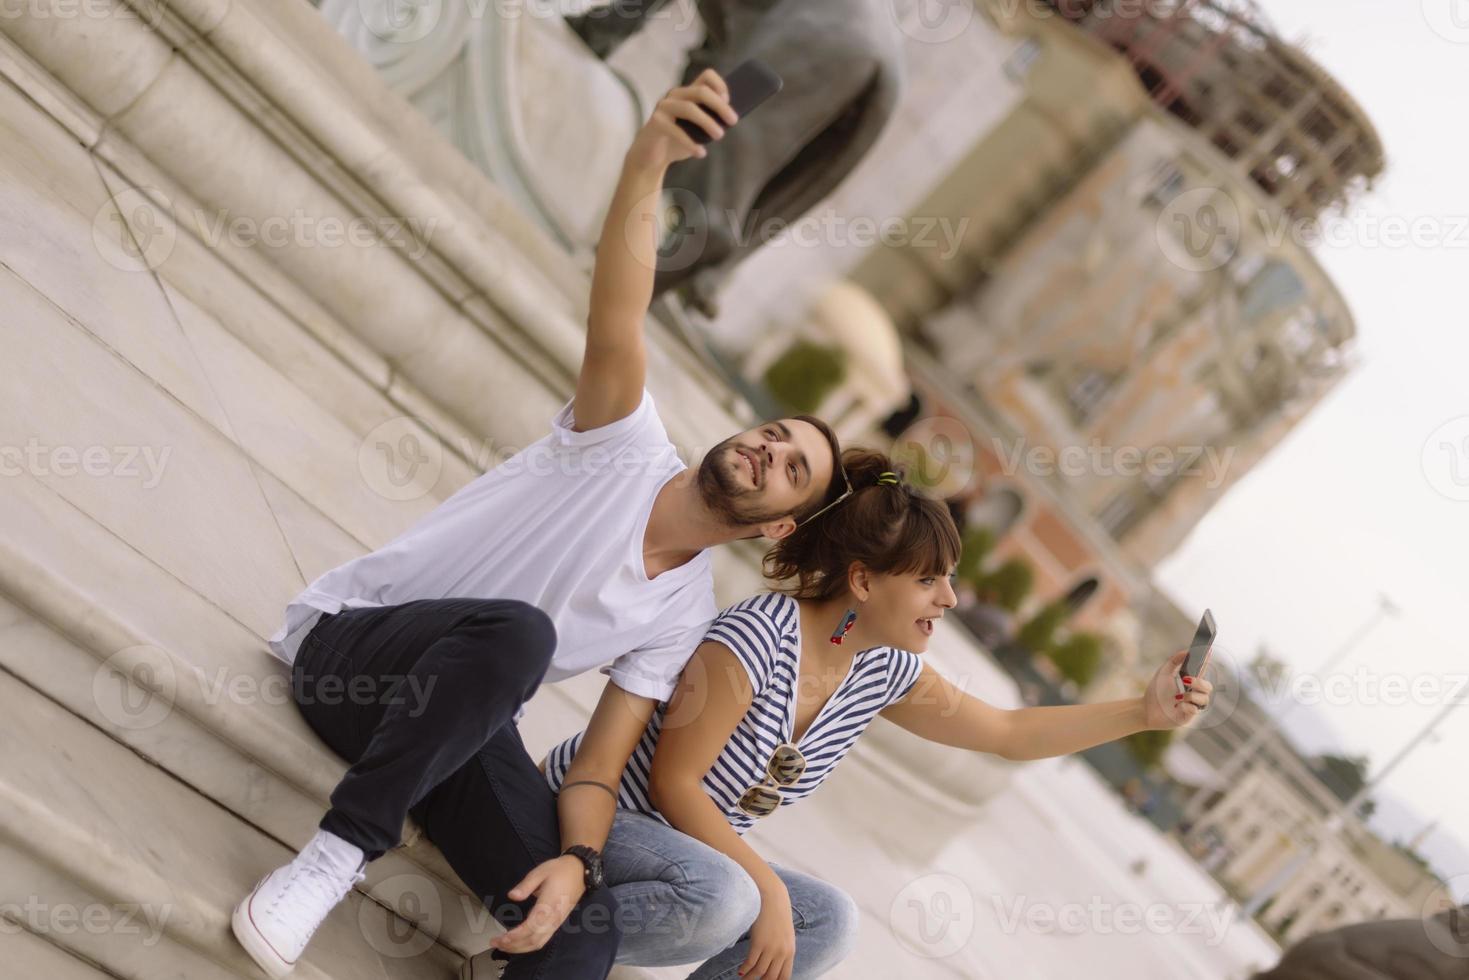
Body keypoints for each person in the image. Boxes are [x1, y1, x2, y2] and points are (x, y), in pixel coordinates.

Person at [229, 67, 848, 980]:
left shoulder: (682, 615)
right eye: (772, 432)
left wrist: (578, 862)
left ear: (780, 530)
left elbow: (596, 769)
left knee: (582, 928)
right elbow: (619, 304)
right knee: (517, 637)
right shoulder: (620, 441)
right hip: (351, 660)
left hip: (457, 732)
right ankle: (328, 862)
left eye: (790, 468)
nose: (765, 449)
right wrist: (648, 162)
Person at [515, 449, 1214, 979]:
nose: (948, 599)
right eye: (926, 580)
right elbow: (673, 784)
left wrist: (1142, 714)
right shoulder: (756, 637)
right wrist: (765, 889)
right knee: (728, 897)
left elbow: (1006, 730)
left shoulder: (878, 668)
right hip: (599, 818)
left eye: (947, 579)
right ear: (861, 581)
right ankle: (531, 940)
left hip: (686, 856)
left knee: (829, 920)